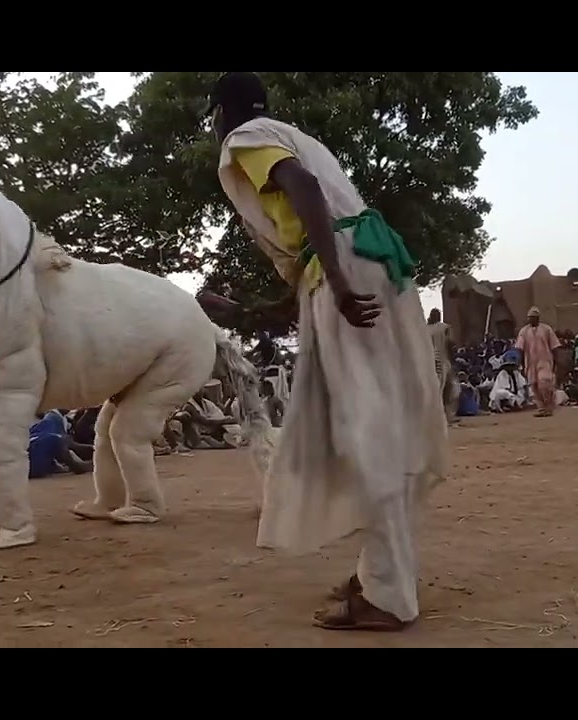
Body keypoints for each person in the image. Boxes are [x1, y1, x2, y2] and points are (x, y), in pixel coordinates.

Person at [203, 72, 448, 631]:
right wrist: (246, 311)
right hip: (375, 260)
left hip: (346, 267)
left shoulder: (245, 140)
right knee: (380, 424)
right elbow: (310, 244)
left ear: (219, 111)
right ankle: (384, 574)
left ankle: (387, 594)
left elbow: (304, 193)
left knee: (365, 430)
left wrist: (336, 284)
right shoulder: (296, 135)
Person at [514, 307, 560, 417]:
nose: (531, 320)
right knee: (534, 385)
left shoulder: (546, 329)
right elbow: (519, 348)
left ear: (538, 318)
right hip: (530, 362)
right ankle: (541, 408)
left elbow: (554, 346)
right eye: (530, 318)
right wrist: (520, 363)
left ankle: (549, 406)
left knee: (544, 383)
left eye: (534, 318)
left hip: (545, 361)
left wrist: (556, 361)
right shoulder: (524, 331)